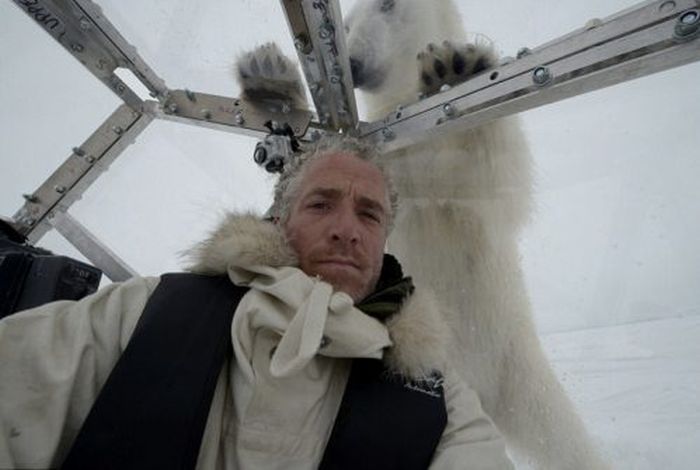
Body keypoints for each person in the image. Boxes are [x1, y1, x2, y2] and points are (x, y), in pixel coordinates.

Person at [0, 135, 513, 469]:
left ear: (384, 242)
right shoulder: (141, 311)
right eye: (321, 204)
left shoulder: (438, 399)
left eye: (369, 215)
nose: (346, 231)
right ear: (279, 222)